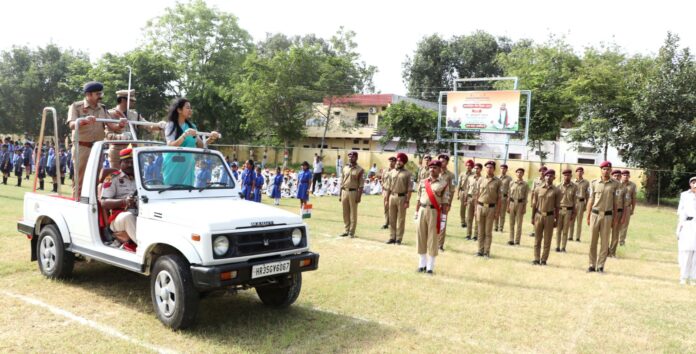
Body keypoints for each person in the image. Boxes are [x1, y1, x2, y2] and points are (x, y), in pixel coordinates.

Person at [67, 81, 126, 197]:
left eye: (101, 94)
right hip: (82, 147)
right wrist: (83, 121)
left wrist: (120, 125)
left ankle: (93, 203)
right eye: (97, 94)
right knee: (80, 177)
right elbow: (72, 125)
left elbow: (112, 126)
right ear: (88, 95)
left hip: (97, 148)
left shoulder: (102, 109)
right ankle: (77, 201)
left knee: (97, 176)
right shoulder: (76, 106)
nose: (101, 96)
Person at [162, 98, 220, 186]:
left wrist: (211, 138)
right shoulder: (171, 125)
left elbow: (201, 145)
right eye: (187, 108)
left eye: (190, 108)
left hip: (188, 165)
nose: (190, 110)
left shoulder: (192, 126)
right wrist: (184, 135)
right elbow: (170, 145)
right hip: (173, 165)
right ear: (179, 110)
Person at [106, 89, 164, 167]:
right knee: (115, 176)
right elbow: (107, 135)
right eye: (131, 100)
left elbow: (148, 125)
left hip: (132, 151)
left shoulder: (134, 114)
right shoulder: (110, 114)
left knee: (134, 175)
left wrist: (159, 125)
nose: (134, 103)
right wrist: (121, 137)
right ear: (123, 100)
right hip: (117, 151)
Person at [586, 161, 622, 273]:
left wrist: (615, 218)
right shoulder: (594, 183)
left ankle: (600, 265)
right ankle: (592, 264)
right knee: (592, 241)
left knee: (605, 242)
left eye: (608, 169)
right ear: (600, 170)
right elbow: (590, 200)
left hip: (607, 216)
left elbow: (616, 203)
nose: (606, 171)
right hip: (595, 215)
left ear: (611, 170)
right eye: (604, 169)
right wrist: (587, 216)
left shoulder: (616, 184)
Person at [100, 148, 138, 250]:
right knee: (128, 216)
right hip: (119, 218)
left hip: (140, 213)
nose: (130, 165)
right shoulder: (112, 178)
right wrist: (124, 201)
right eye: (127, 162)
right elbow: (103, 202)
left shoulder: (140, 178)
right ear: (120, 163)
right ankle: (142, 248)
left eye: (132, 162)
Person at [415, 159, 448, 275]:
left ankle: (430, 267)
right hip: (422, 210)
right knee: (421, 237)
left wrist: (443, 218)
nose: (432, 170)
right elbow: (418, 198)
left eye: (435, 168)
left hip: (434, 212)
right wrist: (416, 212)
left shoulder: (443, 183)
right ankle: (422, 264)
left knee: (433, 239)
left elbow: (444, 203)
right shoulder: (423, 182)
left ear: (440, 170)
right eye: (430, 167)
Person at [531, 169, 560, 265]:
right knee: (537, 239)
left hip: (549, 217)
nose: (548, 177)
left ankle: (543, 260)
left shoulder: (556, 190)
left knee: (547, 239)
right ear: (544, 177)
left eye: (551, 176)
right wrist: (532, 217)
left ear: (554, 178)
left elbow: (557, 207)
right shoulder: (538, 189)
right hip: (538, 215)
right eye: (547, 176)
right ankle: (536, 258)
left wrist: (557, 219)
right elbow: (534, 204)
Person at [474, 160, 502, 257]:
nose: (489, 169)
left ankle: (486, 252)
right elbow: (477, 194)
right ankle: (480, 250)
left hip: (491, 208)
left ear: (494, 169)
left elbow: (499, 198)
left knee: (488, 232)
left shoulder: (498, 181)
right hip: (480, 207)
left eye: (491, 167)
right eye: (487, 167)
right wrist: (475, 209)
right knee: (480, 231)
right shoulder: (481, 180)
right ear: (485, 169)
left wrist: (497, 212)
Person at [385, 153, 413, 245]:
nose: (398, 162)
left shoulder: (408, 174)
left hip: (402, 197)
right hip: (392, 197)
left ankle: (399, 239)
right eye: (397, 160)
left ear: (404, 162)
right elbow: (388, 187)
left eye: (400, 161)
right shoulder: (391, 172)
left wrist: (407, 201)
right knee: (392, 218)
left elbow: (409, 189)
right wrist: (386, 199)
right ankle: (392, 237)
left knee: (401, 219)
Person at [339, 151, 365, 238]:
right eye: (349, 156)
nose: (351, 158)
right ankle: (346, 230)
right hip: (344, 191)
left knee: (353, 213)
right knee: (345, 212)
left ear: (356, 158)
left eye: (353, 157)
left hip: (353, 192)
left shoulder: (360, 170)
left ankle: (351, 232)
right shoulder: (345, 168)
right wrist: (340, 195)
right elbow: (341, 182)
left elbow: (361, 185)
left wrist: (359, 196)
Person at [676, 177, 696, 285]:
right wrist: (680, 227)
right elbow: (681, 211)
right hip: (688, 224)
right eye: (693, 182)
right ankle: (683, 276)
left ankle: (693, 278)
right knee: (687, 252)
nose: (695, 184)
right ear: (690, 184)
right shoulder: (685, 195)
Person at [555, 169, 577, 253]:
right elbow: (555, 200)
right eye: (565, 175)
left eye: (568, 175)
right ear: (563, 176)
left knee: (565, 230)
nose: (567, 177)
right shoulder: (558, 186)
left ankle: (563, 247)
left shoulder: (575, 187)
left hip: (568, 210)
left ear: (571, 176)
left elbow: (575, 201)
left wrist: (574, 213)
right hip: (559, 210)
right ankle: (557, 246)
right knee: (558, 229)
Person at [437, 154, 455, 251]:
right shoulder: (435, 172)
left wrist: (449, 204)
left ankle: (440, 245)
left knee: (442, 223)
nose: (441, 162)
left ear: (447, 162)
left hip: (444, 202)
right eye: (440, 160)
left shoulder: (451, 175)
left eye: (443, 161)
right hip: (434, 201)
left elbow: (452, 190)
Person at [608, 170, 628, 257]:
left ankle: (612, 252)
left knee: (615, 234)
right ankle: (605, 251)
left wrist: (623, 216)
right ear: (612, 176)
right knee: (605, 233)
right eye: (615, 175)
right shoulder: (608, 186)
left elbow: (626, 204)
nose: (617, 177)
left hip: (618, 213)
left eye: (618, 176)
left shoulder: (624, 188)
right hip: (608, 212)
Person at [507, 167, 528, 246]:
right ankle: (511, 239)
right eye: (518, 172)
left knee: (519, 223)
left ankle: (517, 240)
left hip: (520, 204)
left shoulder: (525, 184)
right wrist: (508, 206)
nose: (519, 174)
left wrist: (524, 207)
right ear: (516, 173)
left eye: (521, 172)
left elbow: (526, 197)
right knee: (511, 223)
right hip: (512, 203)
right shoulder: (511, 183)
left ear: (523, 174)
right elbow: (509, 195)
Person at [569, 167, 590, 242]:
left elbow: (588, 195)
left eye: (581, 171)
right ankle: (570, 236)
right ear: (576, 172)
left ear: (583, 173)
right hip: (573, 202)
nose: (579, 172)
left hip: (581, 202)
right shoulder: (572, 182)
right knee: (571, 219)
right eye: (578, 171)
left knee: (579, 220)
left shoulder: (586, 182)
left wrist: (587, 205)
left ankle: (577, 237)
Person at [464, 163, 482, 240]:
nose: (475, 170)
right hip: (470, 198)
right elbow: (467, 189)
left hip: (478, 200)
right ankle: (468, 234)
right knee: (469, 218)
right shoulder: (470, 178)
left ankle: (476, 235)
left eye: (477, 168)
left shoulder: (483, 179)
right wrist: (465, 199)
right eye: (475, 168)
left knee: (477, 218)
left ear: (481, 169)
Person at [529, 166, 548, 237]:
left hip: (543, 201)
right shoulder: (536, 180)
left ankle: (541, 231)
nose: (542, 172)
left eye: (544, 171)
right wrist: (531, 202)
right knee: (535, 215)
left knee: (541, 216)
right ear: (539, 172)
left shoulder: (547, 180)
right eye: (541, 171)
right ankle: (534, 231)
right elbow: (532, 191)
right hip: (535, 200)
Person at [619, 170, 637, 246]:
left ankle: (622, 241)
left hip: (627, 208)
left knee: (624, 225)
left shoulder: (633, 185)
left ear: (629, 176)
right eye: (624, 175)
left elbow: (634, 198)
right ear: (621, 176)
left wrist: (632, 209)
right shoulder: (617, 184)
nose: (625, 176)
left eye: (627, 175)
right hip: (618, 207)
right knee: (615, 225)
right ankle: (613, 240)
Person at [495, 164, 513, 232]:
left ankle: (501, 227)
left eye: (504, 168)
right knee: (496, 212)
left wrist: (509, 199)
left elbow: (510, 189)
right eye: (501, 168)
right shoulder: (496, 178)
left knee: (502, 213)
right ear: (500, 169)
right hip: (497, 198)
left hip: (504, 198)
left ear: (506, 170)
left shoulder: (509, 179)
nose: (503, 169)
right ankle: (495, 226)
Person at [457, 159, 474, 228]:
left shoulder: (474, 175)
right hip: (462, 192)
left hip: (470, 193)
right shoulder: (462, 174)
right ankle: (462, 222)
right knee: (462, 208)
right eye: (467, 165)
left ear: (472, 166)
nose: (468, 167)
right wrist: (458, 194)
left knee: (469, 208)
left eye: (469, 165)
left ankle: (468, 222)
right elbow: (459, 184)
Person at [381, 156, 397, 229]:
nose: (391, 162)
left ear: (395, 162)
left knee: (392, 208)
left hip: (392, 192)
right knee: (386, 207)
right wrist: (383, 189)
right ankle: (386, 222)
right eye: (390, 161)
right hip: (385, 191)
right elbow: (382, 180)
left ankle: (392, 223)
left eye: (393, 161)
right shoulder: (385, 170)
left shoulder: (396, 171)